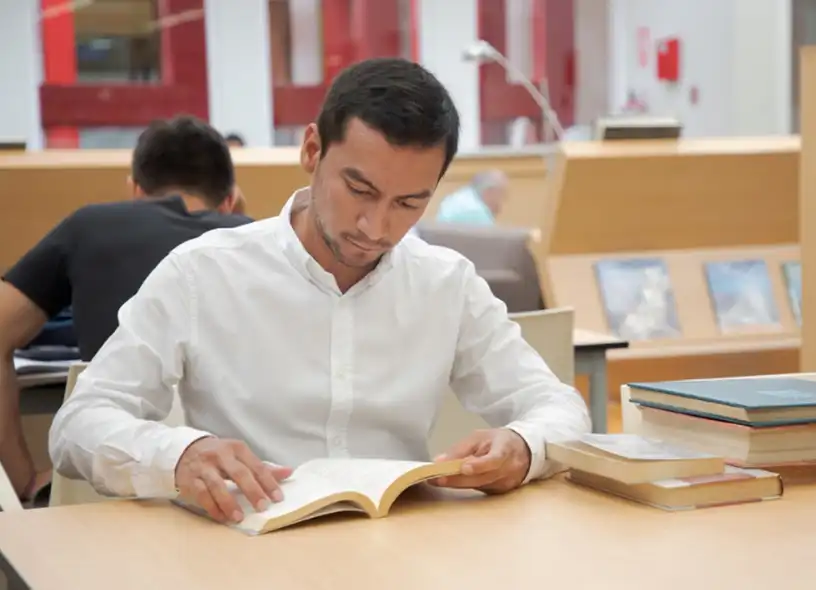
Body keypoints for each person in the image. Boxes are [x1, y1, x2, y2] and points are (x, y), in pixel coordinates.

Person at [49, 57, 590, 524]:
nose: (376, 227)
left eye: (409, 203)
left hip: (400, 544)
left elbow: (558, 406)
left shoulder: (445, 282)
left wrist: (523, 447)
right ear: (312, 150)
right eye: (359, 189)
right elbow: (78, 424)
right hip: (245, 547)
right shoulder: (203, 273)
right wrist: (178, 454)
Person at [0, 116, 252, 506]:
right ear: (230, 199)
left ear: (135, 189)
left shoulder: (89, 226)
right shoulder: (253, 240)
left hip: (102, 495)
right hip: (233, 492)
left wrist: (24, 482)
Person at [435, 169, 509, 225]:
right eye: (502, 194)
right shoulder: (477, 213)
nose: (502, 202)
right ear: (489, 192)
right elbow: (491, 239)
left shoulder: (458, 197)